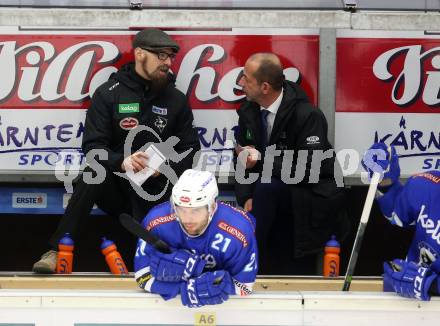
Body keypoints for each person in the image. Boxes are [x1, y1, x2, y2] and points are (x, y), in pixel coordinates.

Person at [32, 29, 200, 273]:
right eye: (161, 56)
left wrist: (162, 169)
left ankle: (176, 257)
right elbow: (93, 148)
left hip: (159, 192)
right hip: (118, 189)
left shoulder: (175, 99)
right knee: (93, 171)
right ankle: (57, 251)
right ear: (140, 54)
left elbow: (191, 150)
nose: (168, 63)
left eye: (171, 57)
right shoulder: (109, 94)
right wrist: (122, 162)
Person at [235, 53, 348, 274]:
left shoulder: (308, 115)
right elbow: (242, 158)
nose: (240, 83)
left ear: (265, 87)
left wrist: (262, 159)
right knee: (262, 190)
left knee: (267, 188)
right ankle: (247, 262)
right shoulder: (248, 111)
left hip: (311, 192)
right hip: (271, 190)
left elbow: (310, 170)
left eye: (246, 79)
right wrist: (246, 196)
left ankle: (246, 262)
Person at [134, 169, 257, 307]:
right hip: (170, 305)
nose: (187, 219)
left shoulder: (239, 230)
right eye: (181, 209)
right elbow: (142, 276)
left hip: (225, 308)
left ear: (212, 206)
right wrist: (183, 289)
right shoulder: (156, 221)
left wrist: (220, 285)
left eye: (196, 210)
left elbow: (245, 287)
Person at [362, 142, 440, 301]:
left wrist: (432, 285)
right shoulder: (427, 185)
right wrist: (385, 181)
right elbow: (396, 215)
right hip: (410, 302)